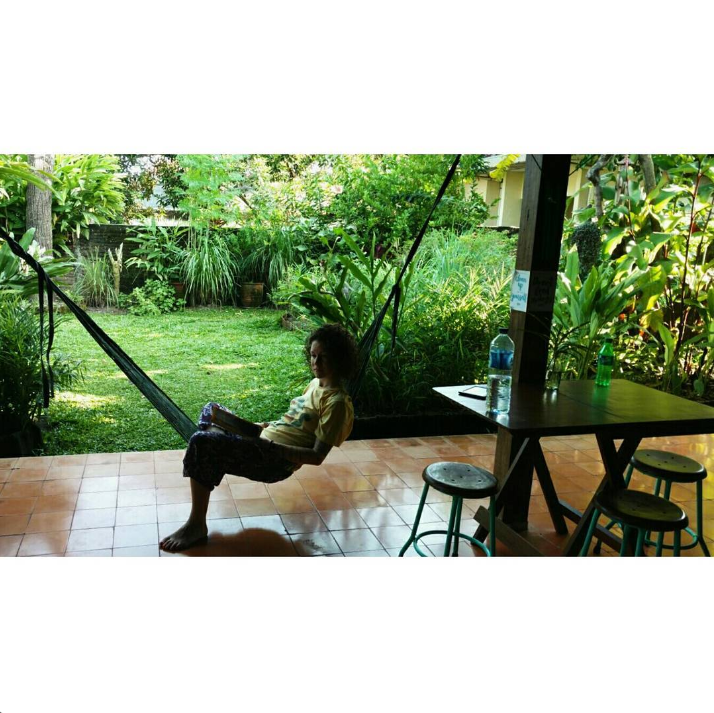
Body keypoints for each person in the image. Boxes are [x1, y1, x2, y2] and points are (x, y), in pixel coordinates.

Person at [159, 323, 358, 552]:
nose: (316, 363)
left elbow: (317, 456)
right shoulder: (315, 384)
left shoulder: (336, 403)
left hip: (273, 460)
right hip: (261, 440)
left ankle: (196, 524)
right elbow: (292, 422)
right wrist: (261, 427)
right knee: (210, 410)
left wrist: (270, 446)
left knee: (201, 443)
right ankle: (215, 449)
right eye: (313, 356)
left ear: (339, 360)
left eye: (324, 358)